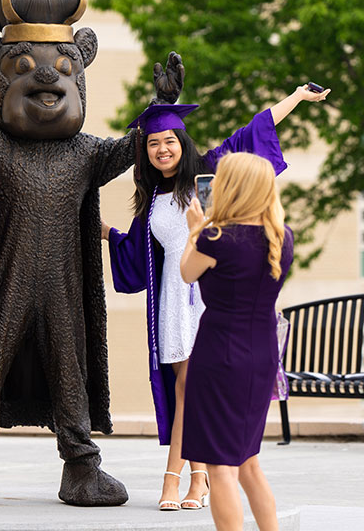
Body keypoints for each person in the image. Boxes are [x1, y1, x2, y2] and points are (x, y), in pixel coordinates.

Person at [101, 85, 325, 512]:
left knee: (189, 387)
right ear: (144, 153)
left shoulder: (207, 174)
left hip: (208, 296)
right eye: (153, 143)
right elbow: (139, 254)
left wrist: (295, 98)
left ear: (183, 144)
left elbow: (251, 133)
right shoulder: (149, 200)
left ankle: (177, 477)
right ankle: (199, 478)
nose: (162, 149)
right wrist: (110, 234)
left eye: (169, 141)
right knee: (189, 388)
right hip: (172, 301)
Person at [178, 152, 294, 531]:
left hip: (220, 356)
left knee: (220, 466)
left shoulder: (216, 238)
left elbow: (186, 273)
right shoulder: (281, 237)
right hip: (262, 356)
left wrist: (195, 230)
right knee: (248, 461)